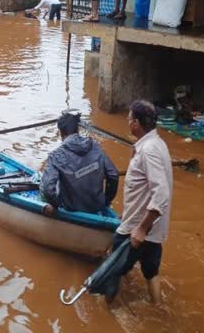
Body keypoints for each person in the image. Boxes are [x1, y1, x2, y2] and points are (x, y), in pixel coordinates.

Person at [104, 100, 173, 306]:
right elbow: (143, 189)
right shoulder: (157, 143)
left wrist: (141, 228)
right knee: (151, 272)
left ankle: (106, 313)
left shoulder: (148, 150)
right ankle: (158, 308)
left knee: (112, 269)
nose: (127, 122)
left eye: (128, 119)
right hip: (153, 227)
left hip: (136, 229)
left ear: (136, 123)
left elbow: (161, 193)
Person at [40, 112, 119, 214]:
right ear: (77, 129)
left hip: (71, 207)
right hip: (97, 205)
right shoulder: (95, 146)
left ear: (60, 132)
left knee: (42, 185)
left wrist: (56, 205)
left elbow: (47, 189)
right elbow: (113, 175)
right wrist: (105, 201)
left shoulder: (55, 156)